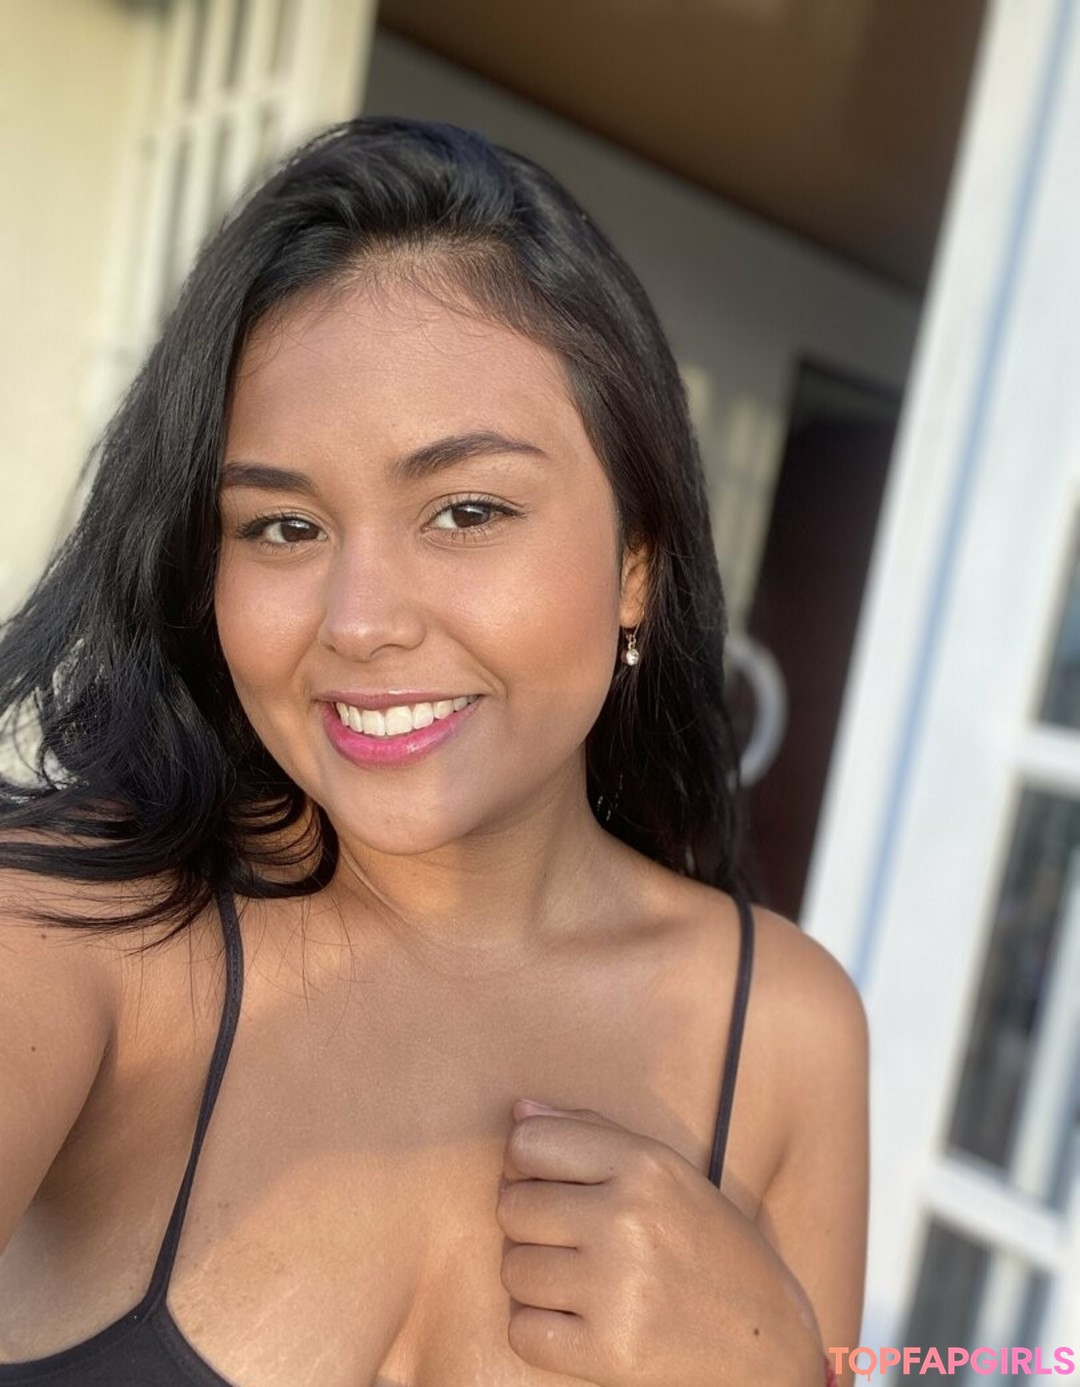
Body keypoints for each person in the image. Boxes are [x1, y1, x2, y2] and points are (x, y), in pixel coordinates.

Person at [0, 116, 867, 1386]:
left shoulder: (785, 1031)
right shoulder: (73, 931)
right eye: (283, 525)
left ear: (637, 563)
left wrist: (781, 1367)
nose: (359, 621)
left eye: (466, 510)